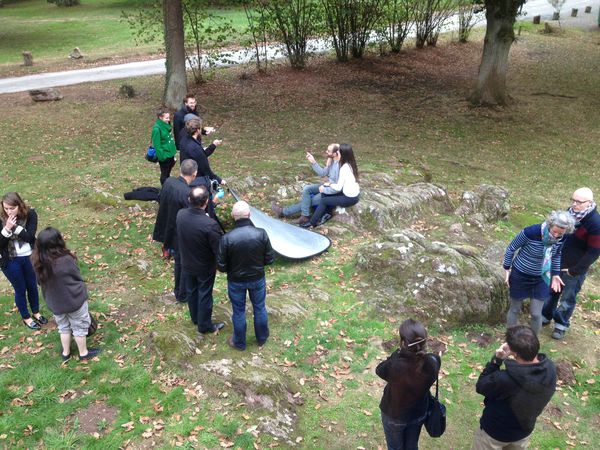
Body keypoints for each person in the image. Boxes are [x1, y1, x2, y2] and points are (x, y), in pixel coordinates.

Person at [471, 325, 556, 450]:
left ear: (515, 353)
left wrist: (496, 360)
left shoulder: (505, 379)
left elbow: (481, 386)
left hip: (494, 433)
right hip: (523, 433)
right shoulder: (550, 369)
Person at [31, 227, 101, 362]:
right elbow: (76, 276)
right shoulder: (66, 259)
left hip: (55, 304)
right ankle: (83, 353)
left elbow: (39, 283)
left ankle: (66, 353)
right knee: (79, 326)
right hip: (74, 301)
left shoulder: (36, 262)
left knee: (63, 327)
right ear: (59, 242)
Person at [502, 210, 574, 334]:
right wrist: (507, 268)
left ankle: (533, 343)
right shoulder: (531, 232)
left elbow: (556, 254)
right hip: (520, 275)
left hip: (541, 277)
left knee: (536, 313)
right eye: (554, 231)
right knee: (515, 309)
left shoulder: (563, 237)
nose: (556, 235)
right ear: (550, 225)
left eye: (560, 233)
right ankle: (510, 339)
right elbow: (511, 248)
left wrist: (556, 274)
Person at [542, 188, 600, 340]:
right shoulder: (569, 214)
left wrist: (574, 271)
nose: (574, 204)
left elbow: (594, 252)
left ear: (589, 203)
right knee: (551, 292)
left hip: (574, 269)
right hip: (557, 263)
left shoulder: (595, 223)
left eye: (578, 202)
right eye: (573, 200)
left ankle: (561, 325)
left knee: (568, 298)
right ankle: (545, 316)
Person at [217, 201, 274, 350]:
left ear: (233, 216)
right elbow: (270, 259)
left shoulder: (227, 238)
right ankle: (262, 338)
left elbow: (221, 266)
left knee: (239, 311)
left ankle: (239, 343)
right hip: (257, 278)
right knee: (260, 307)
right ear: (249, 215)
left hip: (236, 281)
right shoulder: (261, 233)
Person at [376, 319, 440, 450]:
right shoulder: (433, 362)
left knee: (395, 448)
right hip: (418, 413)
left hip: (394, 415)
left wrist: (397, 353)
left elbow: (379, 370)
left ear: (403, 343)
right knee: (411, 446)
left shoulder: (395, 365)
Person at [176, 186, 224, 334]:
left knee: (192, 291)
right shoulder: (210, 224)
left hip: (187, 262)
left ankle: (195, 317)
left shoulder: (181, 214)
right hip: (204, 266)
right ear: (206, 201)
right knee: (204, 294)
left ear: (189, 200)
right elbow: (218, 248)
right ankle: (204, 325)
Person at [152, 159, 198, 302]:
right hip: (179, 233)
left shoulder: (169, 182)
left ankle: (179, 291)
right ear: (194, 174)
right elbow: (192, 216)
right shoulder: (187, 193)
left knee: (179, 262)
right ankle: (182, 293)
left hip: (168, 228)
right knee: (182, 264)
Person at [0, 192, 46, 330]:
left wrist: (16, 228)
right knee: (20, 289)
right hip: (10, 259)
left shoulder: (30, 214)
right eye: (6, 208)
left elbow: (30, 238)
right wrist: (7, 228)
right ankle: (26, 317)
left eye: (12, 208)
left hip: (29, 256)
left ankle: (36, 312)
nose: (9, 212)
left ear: (19, 206)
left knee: (32, 285)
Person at [271, 143, 341, 225]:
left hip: (333, 192)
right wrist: (313, 162)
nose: (326, 152)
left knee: (309, 201)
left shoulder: (341, 166)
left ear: (335, 153)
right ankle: (304, 215)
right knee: (307, 189)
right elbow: (322, 173)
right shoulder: (332, 161)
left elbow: (338, 187)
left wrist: (325, 189)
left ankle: (285, 212)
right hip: (327, 186)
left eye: (328, 151)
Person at [302, 143, 360, 228]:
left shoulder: (344, 168)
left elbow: (338, 187)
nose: (337, 153)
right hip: (352, 194)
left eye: (339, 152)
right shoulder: (349, 164)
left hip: (349, 198)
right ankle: (326, 214)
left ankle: (312, 223)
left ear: (342, 154)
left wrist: (328, 185)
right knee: (324, 196)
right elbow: (323, 173)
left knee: (324, 201)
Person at [152, 108, 177, 186]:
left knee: (168, 173)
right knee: (164, 174)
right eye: (166, 118)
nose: (168, 119)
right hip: (165, 155)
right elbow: (157, 146)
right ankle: (164, 189)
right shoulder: (157, 129)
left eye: (169, 117)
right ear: (160, 117)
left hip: (170, 153)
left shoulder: (166, 125)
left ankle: (167, 188)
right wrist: (162, 157)